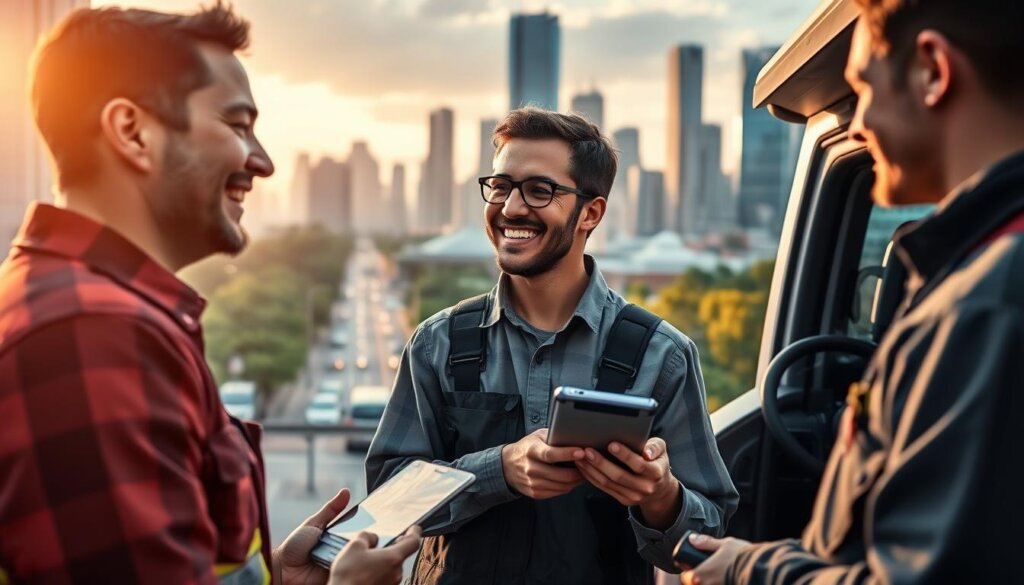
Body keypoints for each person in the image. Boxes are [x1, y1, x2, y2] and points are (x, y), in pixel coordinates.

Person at [0, 5, 420, 583]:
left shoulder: (88, 308)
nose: (262, 161)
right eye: (236, 123)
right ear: (132, 132)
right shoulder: (92, 332)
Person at [681, 1, 1024, 583]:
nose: (860, 122)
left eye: (863, 89)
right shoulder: (979, 274)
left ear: (932, 71)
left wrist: (748, 570)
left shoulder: (989, 302)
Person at [367, 108, 738, 584]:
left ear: (591, 212)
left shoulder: (660, 355)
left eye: (539, 190)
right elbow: (385, 503)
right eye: (500, 186)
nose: (511, 208)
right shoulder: (437, 343)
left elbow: (710, 534)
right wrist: (498, 470)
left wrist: (660, 495)